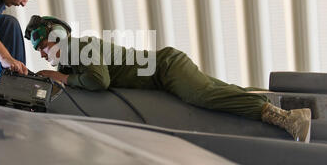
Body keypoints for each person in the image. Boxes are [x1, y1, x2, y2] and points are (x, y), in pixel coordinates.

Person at [25, 15, 312, 143]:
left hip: (165, 68)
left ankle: (284, 117)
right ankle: (273, 109)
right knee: (214, 90)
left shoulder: (80, 46)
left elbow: (99, 81)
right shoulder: (77, 57)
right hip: (165, 70)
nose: (43, 55)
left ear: (57, 37)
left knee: (202, 96)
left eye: (44, 47)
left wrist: (59, 76)